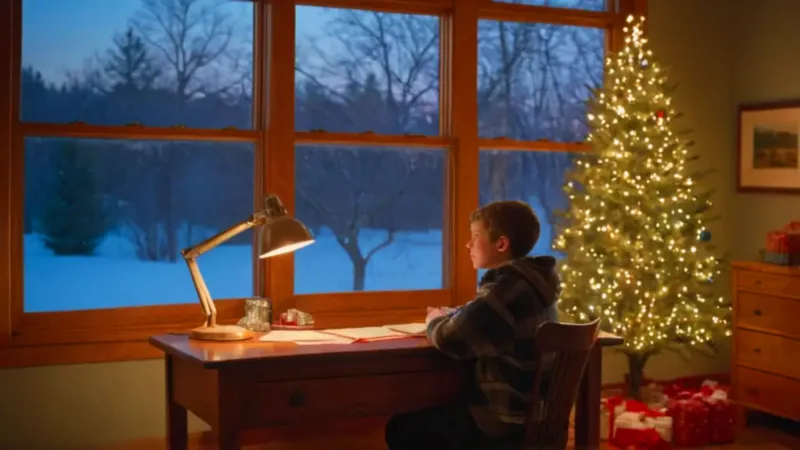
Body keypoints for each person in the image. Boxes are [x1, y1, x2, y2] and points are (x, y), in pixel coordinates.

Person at [384, 200, 561, 450]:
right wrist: (459, 313)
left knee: (401, 429)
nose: (468, 244)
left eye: (475, 236)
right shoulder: (533, 283)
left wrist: (434, 320)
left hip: (502, 422)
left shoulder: (507, 288)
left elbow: (450, 339)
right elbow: (486, 318)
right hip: (535, 417)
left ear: (501, 244)